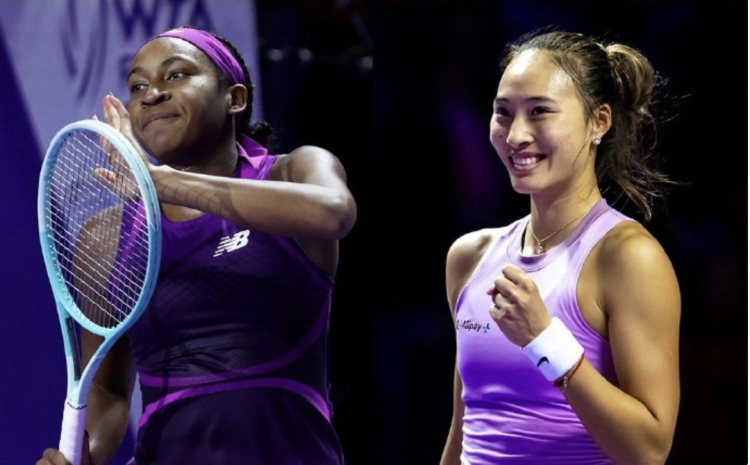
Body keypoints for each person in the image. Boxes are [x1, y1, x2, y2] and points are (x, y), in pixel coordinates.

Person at [38, 26, 356, 465]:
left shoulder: (293, 172)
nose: (152, 95)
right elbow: (108, 388)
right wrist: (85, 454)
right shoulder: (105, 235)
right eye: (138, 86)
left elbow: (333, 213)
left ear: (235, 98)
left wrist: (158, 182)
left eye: (176, 75)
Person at [440, 30, 680, 465]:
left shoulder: (629, 257)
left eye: (540, 112)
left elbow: (648, 451)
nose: (516, 135)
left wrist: (544, 339)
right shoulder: (468, 257)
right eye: (503, 113)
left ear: (599, 121)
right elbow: (465, 429)